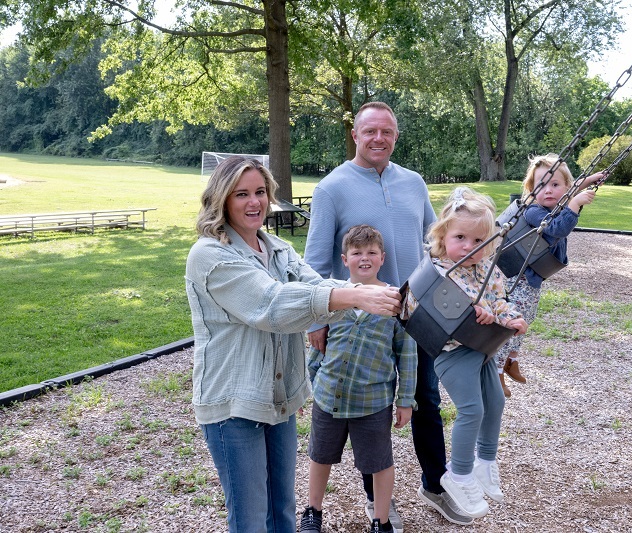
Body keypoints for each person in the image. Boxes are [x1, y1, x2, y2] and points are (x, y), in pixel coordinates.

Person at [185, 156, 402, 532]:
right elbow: (270, 305)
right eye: (242, 194)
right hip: (235, 404)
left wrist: (366, 291)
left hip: (279, 400)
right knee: (251, 518)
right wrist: (354, 297)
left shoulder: (278, 249)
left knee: (283, 510)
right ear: (221, 199)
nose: (255, 202)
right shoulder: (210, 255)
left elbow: (315, 284)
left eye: (260, 192)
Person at [304, 101, 473, 528]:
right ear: (355, 135)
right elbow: (314, 262)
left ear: (396, 136)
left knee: (427, 401)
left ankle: (435, 486)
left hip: (416, 315)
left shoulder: (413, 182)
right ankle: (377, 501)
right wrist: (316, 319)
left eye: (387, 132)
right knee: (368, 407)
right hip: (362, 315)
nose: (379, 139)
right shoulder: (332, 188)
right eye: (370, 131)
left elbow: (435, 242)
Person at [401, 187, 528, 519]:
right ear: (443, 234)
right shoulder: (436, 268)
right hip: (452, 352)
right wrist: (475, 311)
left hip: (482, 348)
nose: (469, 248)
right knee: (471, 410)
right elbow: (425, 302)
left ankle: (485, 462)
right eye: (461, 238)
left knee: (495, 402)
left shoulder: (485, 268)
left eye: (478, 241)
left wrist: (509, 317)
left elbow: (498, 300)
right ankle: (457, 474)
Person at [301, 225, 417, 533]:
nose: (364, 259)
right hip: (329, 396)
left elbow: (407, 355)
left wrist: (406, 400)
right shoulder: (334, 297)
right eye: (356, 253)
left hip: (373, 402)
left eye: (371, 253)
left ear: (382, 258)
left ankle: (380, 520)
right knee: (319, 455)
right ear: (344, 259)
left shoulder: (398, 300)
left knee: (379, 462)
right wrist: (303, 387)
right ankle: (312, 511)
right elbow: (318, 349)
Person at [495, 154, 603, 398]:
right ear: (531, 189)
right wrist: (575, 204)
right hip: (516, 280)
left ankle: (512, 361)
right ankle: (497, 371)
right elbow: (555, 228)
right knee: (512, 325)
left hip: (532, 281)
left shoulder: (554, 204)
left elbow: (570, 188)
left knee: (527, 320)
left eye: (555, 185)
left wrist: (589, 180)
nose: (548, 190)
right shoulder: (534, 211)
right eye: (541, 185)